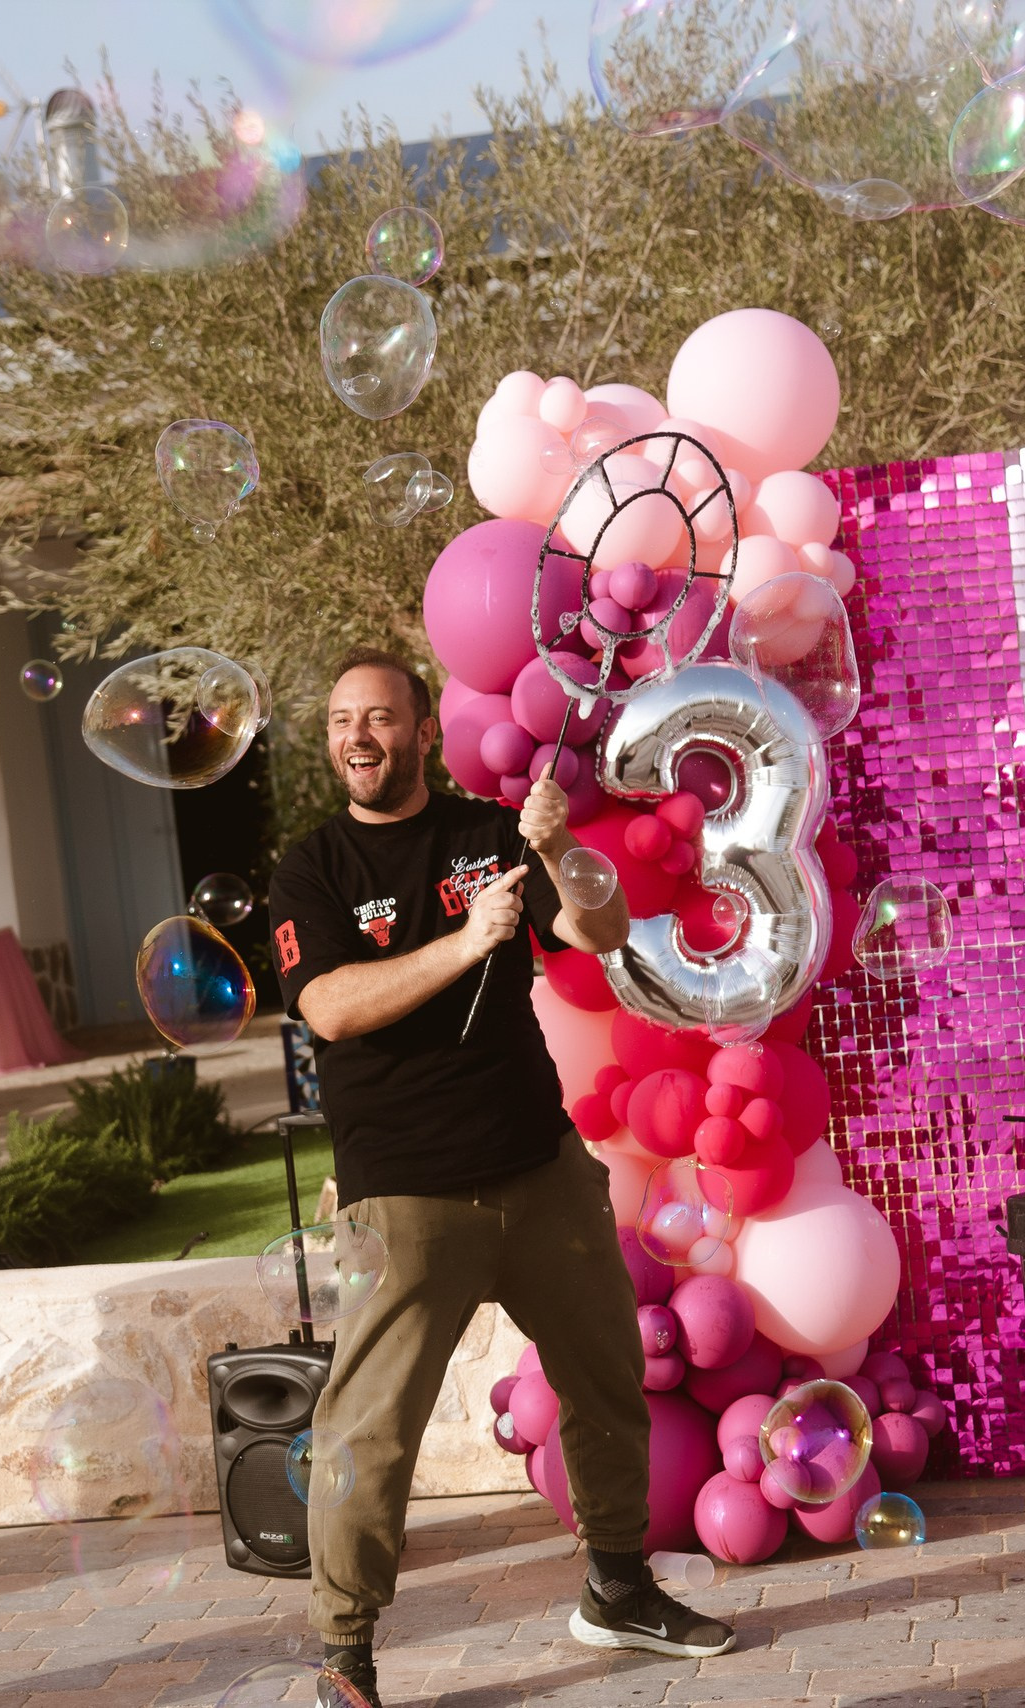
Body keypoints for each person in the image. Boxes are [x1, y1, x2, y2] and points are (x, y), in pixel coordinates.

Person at [267, 647, 733, 1708]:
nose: (358, 738)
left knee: (607, 1379)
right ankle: (344, 1648)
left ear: (422, 731)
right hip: (405, 1194)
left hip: (540, 1168)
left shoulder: (491, 834)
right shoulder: (313, 868)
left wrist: (565, 849)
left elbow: (599, 930)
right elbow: (331, 1007)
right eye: (342, 721)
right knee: (369, 1430)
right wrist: (464, 941)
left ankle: (616, 1586)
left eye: (379, 718)